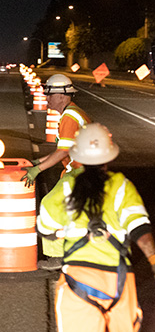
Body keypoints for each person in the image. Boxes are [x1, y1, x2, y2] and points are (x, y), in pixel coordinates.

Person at [36, 123, 155, 332]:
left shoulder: (66, 188)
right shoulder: (122, 186)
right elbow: (139, 228)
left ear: (77, 155)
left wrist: (63, 232)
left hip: (79, 282)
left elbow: (45, 228)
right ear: (110, 156)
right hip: (120, 284)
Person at [21, 73, 92, 270]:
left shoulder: (69, 116)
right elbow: (62, 150)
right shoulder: (73, 113)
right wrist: (36, 161)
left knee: (49, 206)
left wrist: (38, 169)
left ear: (62, 95)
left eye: (50, 94)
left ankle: (57, 256)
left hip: (80, 172)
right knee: (74, 216)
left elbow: (62, 152)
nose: (47, 98)